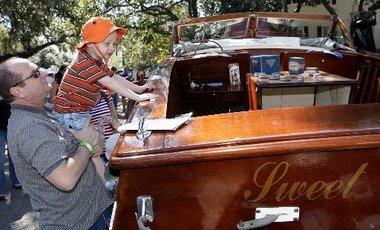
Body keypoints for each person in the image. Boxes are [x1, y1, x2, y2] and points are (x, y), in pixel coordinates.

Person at [0, 57, 114, 229]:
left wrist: (88, 139)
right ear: (18, 91)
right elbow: (65, 178)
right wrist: (87, 145)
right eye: (35, 74)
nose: (45, 73)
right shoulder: (29, 127)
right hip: (79, 224)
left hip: (92, 215)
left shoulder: (38, 114)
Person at [52, 16, 157, 182]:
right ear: (91, 43)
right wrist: (138, 97)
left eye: (114, 44)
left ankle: (105, 183)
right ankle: (106, 185)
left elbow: (114, 77)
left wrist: (140, 88)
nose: (112, 48)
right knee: (93, 150)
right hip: (70, 114)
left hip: (79, 112)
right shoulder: (84, 62)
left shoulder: (95, 61)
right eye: (107, 43)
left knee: (95, 150)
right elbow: (110, 82)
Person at [0, 95, 21, 201]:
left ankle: (16, 180)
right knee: (0, 160)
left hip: (11, 128)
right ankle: (0, 189)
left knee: (14, 156)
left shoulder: (8, 88)